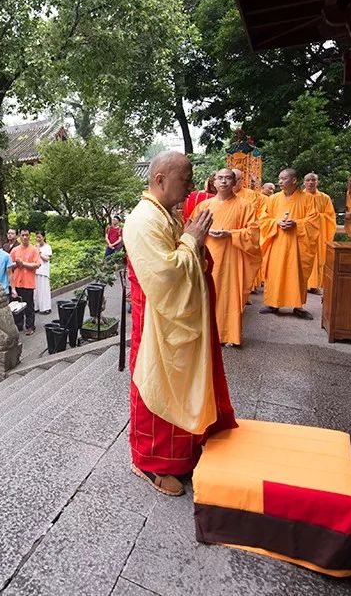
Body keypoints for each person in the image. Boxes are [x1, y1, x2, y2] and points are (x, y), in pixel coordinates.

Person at [123, 151, 237, 497]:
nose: (190, 186)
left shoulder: (165, 215)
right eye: (185, 179)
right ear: (160, 179)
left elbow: (184, 257)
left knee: (180, 385)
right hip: (157, 322)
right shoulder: (143, 220)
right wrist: (191, 241)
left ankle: (181, 456)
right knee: (154, 386)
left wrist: (192, 242)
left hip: (173, 319)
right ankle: (148, 462)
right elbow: (166, 275)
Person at [191, 169, 261, 347]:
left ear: (235, 182)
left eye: (228, 178)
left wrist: (230, 234)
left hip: (232, 258)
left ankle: (230, 335)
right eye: (220, 178)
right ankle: (207, 334)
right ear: (214, 182)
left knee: (229, 296)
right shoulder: (204, 206)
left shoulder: (245, 205)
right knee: (206, 294)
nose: (223, 182)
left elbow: (253, 233)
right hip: (208, 257)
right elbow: (191, 229)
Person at [259, 169, 320, 319]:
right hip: (277, 242)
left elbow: (313, 221)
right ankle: (273, 304)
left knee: (296, 274)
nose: (280, 181)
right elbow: (263, 219)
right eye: (279, 178)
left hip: (297, 244)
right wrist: (276, 222)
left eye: (284, 178)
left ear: (294, 180)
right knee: (275, 272)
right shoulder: (272, 199)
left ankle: (298, 306)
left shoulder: (308, 199)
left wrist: (296, 224)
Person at [302, 173, 336, 294]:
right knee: (303, 257)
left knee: (318, 258)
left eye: (313, 180)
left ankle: (315, 285)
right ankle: (302, 284)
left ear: (318, 182)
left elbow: (330, 216)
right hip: (304, 233)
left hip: (319, 233)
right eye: (308, 180)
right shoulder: (300, 197)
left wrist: (317, 218)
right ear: (304, 182)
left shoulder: (324, 197)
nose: (311, 182)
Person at [9, 229, 41, 336]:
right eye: (23, 235)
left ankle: (30, 326)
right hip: (17, 281)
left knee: (29, 305)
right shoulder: (15, 250)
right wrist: (16, 264)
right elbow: (10, 266)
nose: (25, 237)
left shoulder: (34, 250)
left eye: (27, 235)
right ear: (20, 237)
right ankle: (18, 325)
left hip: (28, 282)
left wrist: (23, 264)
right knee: (17, 305)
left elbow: (36, 265)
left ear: (30, 236)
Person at [34, 231, 52, 314]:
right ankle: (36, 307)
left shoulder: (47, 247)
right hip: (36, 270)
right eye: (36, 237)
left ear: (43, 237)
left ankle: (45, 308)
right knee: (36, 291)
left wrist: (39, 252)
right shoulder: (34, 246)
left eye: (39, 237)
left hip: (44, 271)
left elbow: (47, 259)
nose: (37, 239)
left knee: (44, 290)